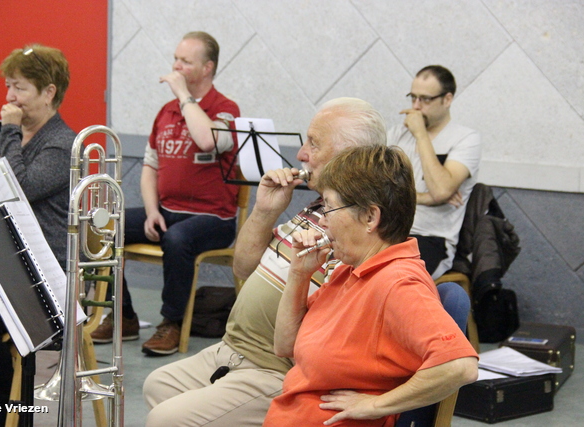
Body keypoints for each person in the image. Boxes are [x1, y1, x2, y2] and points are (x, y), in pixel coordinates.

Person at [142, 98, 387, 427]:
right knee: (158, 385)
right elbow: (242, 268)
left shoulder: (355, 230)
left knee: (165, 419)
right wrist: (265, 209)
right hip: (232, 350)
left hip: (275, 370)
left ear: (349, 157)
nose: (300, 154)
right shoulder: (314, 207)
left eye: (313, 143)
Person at [263, 144, 479, 427]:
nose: (323, 221)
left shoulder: (398, 281)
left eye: (328, 207)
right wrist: (299, 275)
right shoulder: (351, 269)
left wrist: (375, 405)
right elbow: (284, 345)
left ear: (369, 217)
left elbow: (460, 367)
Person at [91, 31, 240, 356]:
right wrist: (152, 209)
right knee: (100, 226)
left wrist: (184, 96)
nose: (175, 66)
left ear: (207, 68)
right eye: (176, 59)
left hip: (213, 218)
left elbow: (208, 142)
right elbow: (150, 168)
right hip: (167, 211)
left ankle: (170, 323)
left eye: (185, 62)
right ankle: (124, 315)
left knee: (177, 239)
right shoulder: (166, 113)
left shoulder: (225, 110)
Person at [0, 44, 75, 427]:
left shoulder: (61, 144)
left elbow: (15, 191)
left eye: (19, 88)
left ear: (48, 92)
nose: (9, 98)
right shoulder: (9, 139)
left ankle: (12, 417)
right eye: (8, 87)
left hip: (41, 276)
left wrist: (7, 130)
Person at [388, 65, 481, 279]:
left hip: (430, 239)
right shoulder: (397, 135)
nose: (416, 107)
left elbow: (440, 190)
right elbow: (375, 186)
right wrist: (426, 198)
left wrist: (421, 135)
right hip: (388, 231)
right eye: (413, 98)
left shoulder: (465, 139)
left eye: (425, 100)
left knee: (391, 279)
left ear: (447, 99)